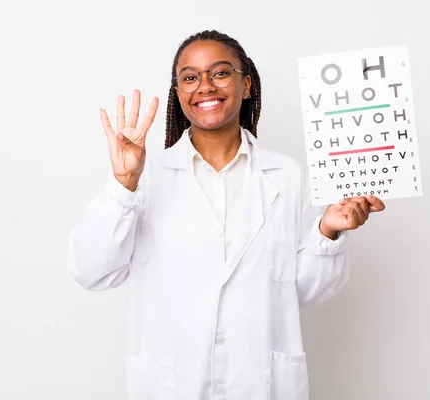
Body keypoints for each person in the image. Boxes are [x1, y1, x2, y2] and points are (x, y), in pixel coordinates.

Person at [68, 30, 385, 400]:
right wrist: (123, 185)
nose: (205, 86)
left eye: (220, 73)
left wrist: (327, 232)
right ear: (179, 93)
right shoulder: (145, 177)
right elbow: (91, 270)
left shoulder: (286, 175)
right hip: (171, 386)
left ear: (246, 84)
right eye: (190, 77)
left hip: (259, 384)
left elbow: (301, 290)